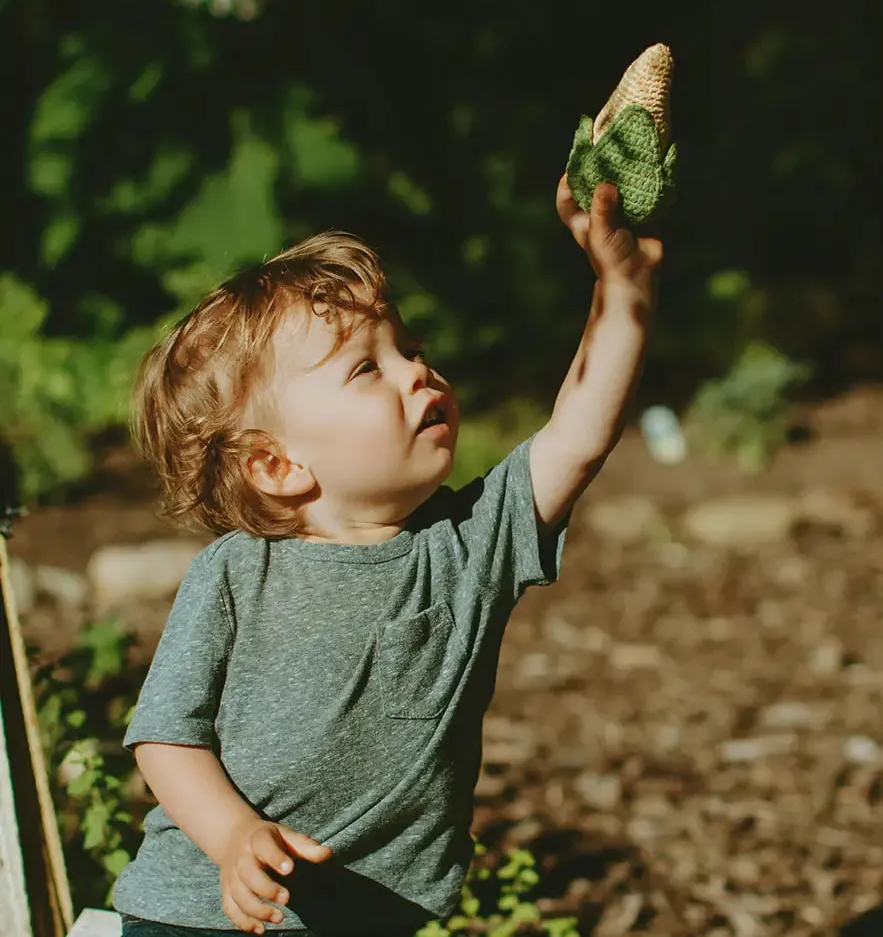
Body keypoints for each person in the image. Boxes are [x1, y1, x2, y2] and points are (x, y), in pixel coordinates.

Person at [112, 175, 662, 937]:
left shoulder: (474, 543)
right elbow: (166, 736)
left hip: (369, 920)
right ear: (278, 466)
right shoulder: (236, 574)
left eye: (410, 347)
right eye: (367, 368)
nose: (417, 371)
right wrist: (234, 837)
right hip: (201, 914)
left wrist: (621, 289)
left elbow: (579, 429)